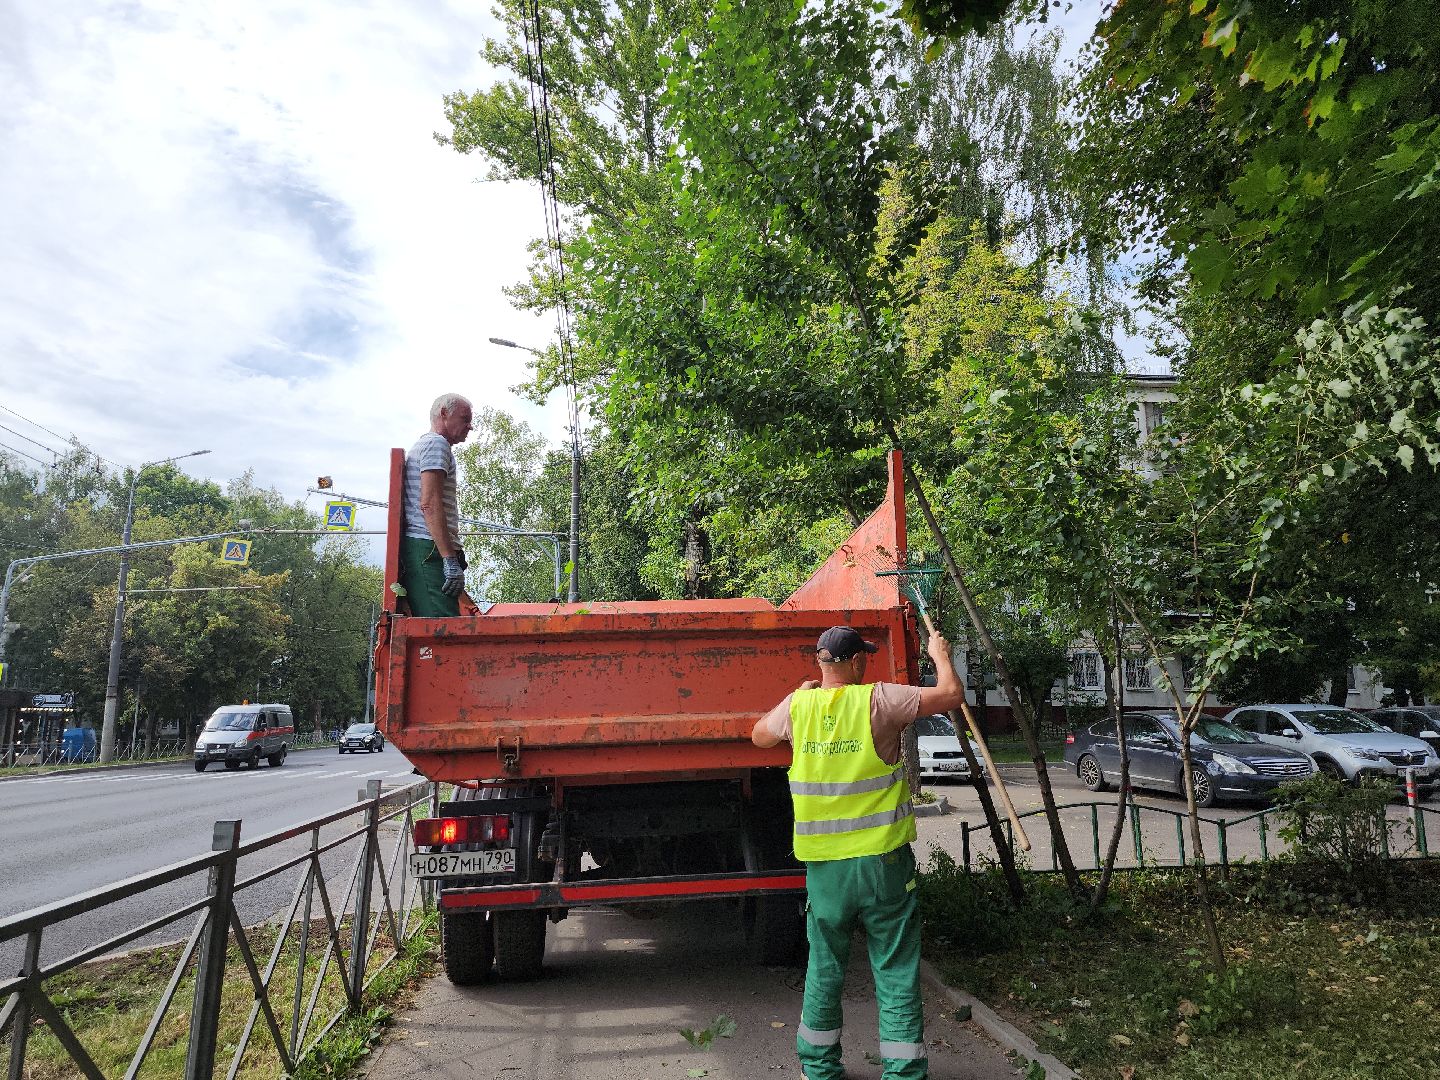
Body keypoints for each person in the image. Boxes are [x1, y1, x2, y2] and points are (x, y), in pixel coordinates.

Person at [751, 625, 965, 1080]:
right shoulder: (879, 700)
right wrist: (939, 653)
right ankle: (904, 1072)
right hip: (883, 864)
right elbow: (949, 695)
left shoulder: (798, 707)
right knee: (895, 968)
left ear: (820, 663)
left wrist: (797, 694)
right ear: (855, 662)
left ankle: (820, 1069)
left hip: (826, 869)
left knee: (824, 967)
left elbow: (759, 736)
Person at [400, 393, 473, 617]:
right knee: (442, 634)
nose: (470, 427)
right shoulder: (436, 444)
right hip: (429, 548)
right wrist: (449, 559)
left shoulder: (429, 444)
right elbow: (429, 503)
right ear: (444, 413)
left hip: (429, 548)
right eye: (465, 419)